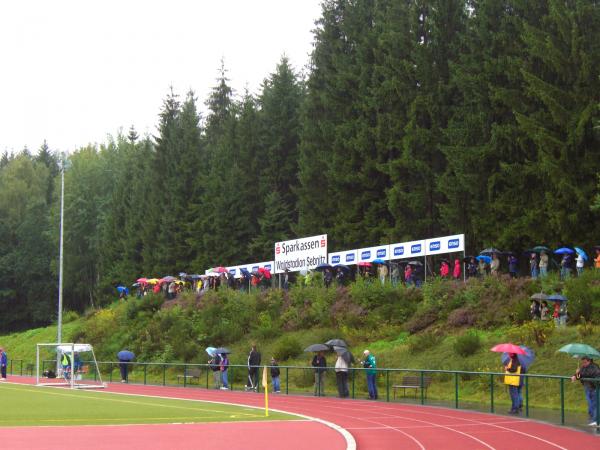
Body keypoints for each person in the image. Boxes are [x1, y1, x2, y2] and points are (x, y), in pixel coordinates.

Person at [571, 356, 600, 426]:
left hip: (595, 388)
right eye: (582, 362)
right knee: (590, 404)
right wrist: (575, 376)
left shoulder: (594, 367)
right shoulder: (583, 367)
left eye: (585, 362)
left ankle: (596, 420)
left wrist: (578, 374)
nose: (583, 364)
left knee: (595, 404)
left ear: (589, 361)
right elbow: (580, 375)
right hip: (587, 388)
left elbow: (589, 374)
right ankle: (593, 418)